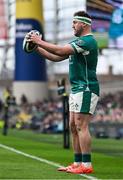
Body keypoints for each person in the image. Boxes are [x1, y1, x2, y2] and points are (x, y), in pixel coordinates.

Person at [27, 11, 100, 174]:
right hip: (77, 89)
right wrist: (37, 47)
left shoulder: (87, 41)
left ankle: (86, 165)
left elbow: (59, 51)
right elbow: (55, 57)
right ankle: (77, 162)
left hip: (86, 88)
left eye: (75, 22)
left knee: (81, 125)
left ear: (84, 24)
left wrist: (40, 41)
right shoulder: (78, 43)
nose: (72, 25)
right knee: (73, 126)